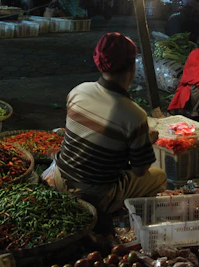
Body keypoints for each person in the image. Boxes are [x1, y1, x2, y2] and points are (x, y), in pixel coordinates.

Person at [46, 32, 167, 232]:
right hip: (94, 194)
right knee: (158, 176)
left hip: (59, 177)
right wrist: (147, 140)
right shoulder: (134, 115)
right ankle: (126, 225)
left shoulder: (78, 91)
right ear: (132, 66)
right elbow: (140, 169)